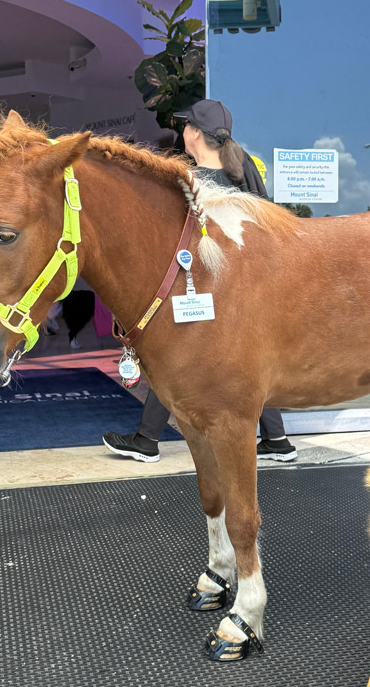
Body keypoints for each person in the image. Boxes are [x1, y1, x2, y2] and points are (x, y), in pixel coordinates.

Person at [103, 99, 297, 464]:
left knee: (171, 357)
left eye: (185, 126)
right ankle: (278, 440)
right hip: (246, 295)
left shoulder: (187, 183)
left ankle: (146, 440)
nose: (182, 132)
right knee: (252, 365)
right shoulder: (243, 174)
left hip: (202, 292)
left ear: (194, 133)